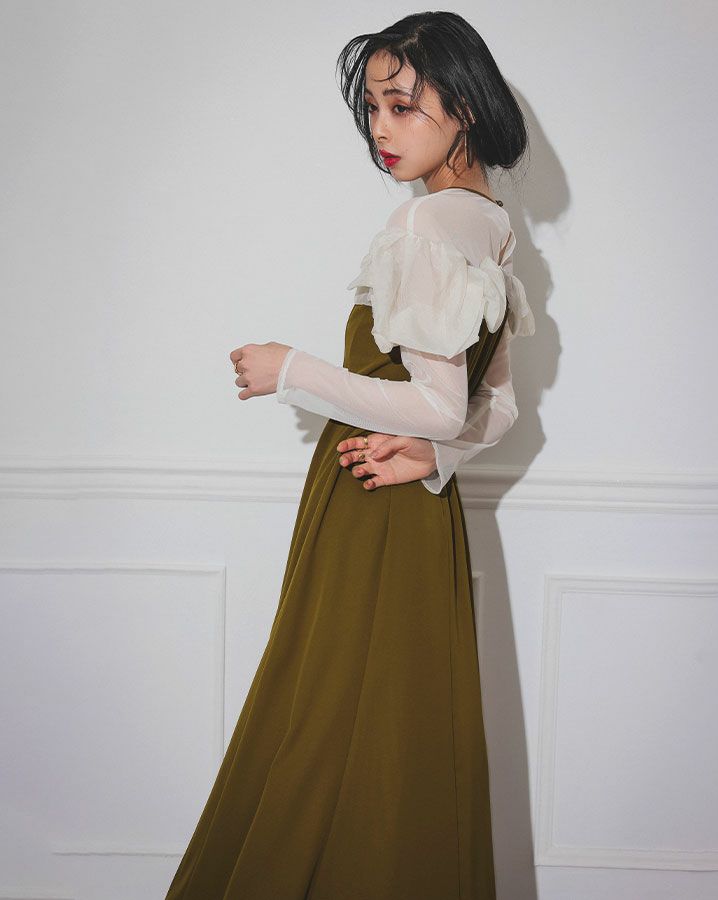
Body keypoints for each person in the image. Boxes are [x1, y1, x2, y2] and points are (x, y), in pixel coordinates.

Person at [165, 11, 534, 899]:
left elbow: (441, 404)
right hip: (409, 499)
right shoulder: (490, 223)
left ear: (466, 106)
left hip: (366, 502)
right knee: (393, 729)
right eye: (372, 108)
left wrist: (291, 370)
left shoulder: (426, 226)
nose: (380, 128)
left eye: (402, 105)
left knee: (321, 720)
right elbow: (495, 407)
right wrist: (435, 460)